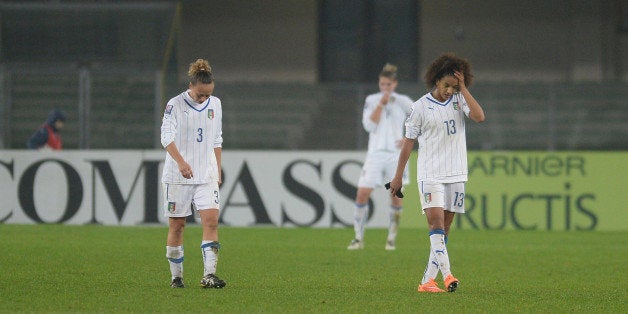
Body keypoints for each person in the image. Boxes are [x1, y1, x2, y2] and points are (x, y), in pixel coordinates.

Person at [388, 53, 486, 293]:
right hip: (430, 174)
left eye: (454, 86)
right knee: (436, 225)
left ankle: (426, 282)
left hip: (456, 173)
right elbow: (409, 143)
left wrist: (463, 88)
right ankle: (448, 275)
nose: (449, 91)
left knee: (445, 230)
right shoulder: (419, 108)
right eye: (446, 86)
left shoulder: (459, 99)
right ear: (435, 81)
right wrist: (398, 176)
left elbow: (479, 117)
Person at [161, 59, 226, 289]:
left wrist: (217, 168)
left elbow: (217, 138)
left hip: (205, 174)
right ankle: (176, 277)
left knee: (211, 221)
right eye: (200, 95)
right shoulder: (175, 105)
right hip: (178, 175)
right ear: (191, 85)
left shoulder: (215, 104)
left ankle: (209, 275)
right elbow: (166, 137)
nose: (204, 99)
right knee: (177, 225)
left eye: (207, 95)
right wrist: (180, 162)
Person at [347, 63, 413, 251]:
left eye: (389, 85)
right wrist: (381, 104)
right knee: (362, 193)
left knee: (395, 196)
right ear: (379, 83)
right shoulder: (372, 100)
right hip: (375, 154)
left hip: (396, 156)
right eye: (382, 84)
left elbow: (422, 120)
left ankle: (391, 238)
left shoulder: (403, 101)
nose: (385, 88)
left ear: (395, 84)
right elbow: (369, 126)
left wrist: (410, 138)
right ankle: (358, 238)